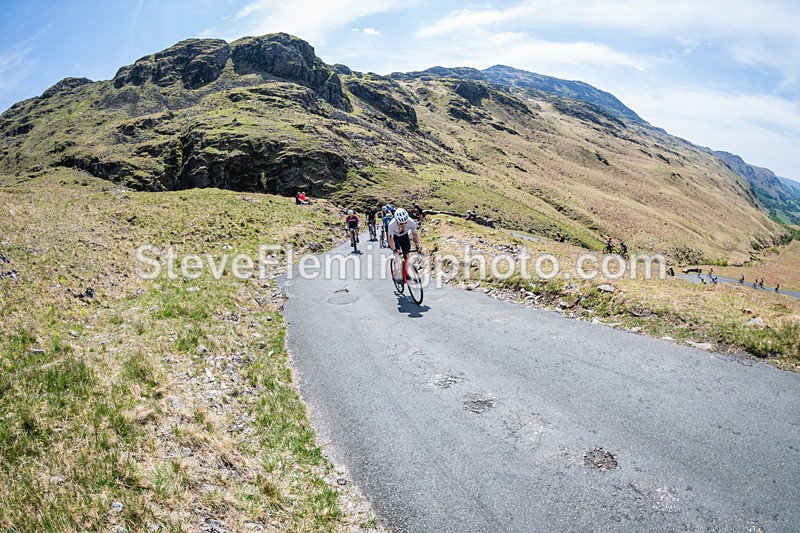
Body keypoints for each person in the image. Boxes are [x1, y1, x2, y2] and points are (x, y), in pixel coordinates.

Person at [388, 208, 421, 282]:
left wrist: (417, 245)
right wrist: (394, 250)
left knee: (407, 255)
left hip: (404, 236)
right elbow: (390, 239)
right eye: (401, 223)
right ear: (396, 221)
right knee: (398, 256)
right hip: (395, 237)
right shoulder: (391, 225)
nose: (404, 224)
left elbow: (415, 235)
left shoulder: (411, 222)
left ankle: (409, 273)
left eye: (405, 222)